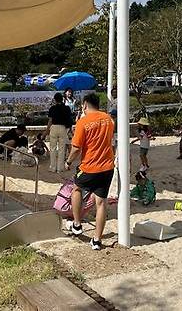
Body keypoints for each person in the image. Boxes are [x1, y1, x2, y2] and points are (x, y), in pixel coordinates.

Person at [64, 93, 115, 251]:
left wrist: (68, 161)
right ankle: (97, 240)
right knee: (101, 203)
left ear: (85, 105)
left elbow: (76, 148)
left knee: (76, 189)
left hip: (89, 167)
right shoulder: (108, 119)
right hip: (107, 168)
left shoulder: (83, 122)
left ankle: (77, 224)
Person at [44, 92, 73, 172]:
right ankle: (60, 168)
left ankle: (52, 167)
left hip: (54, 127)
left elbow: (50, 121)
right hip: (63, 128)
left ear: (55, 100)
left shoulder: (52, 108)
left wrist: (46, 131)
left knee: (53, 148)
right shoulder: (67, 108)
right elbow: (69, 119)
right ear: (62, 99)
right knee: (62, 148)